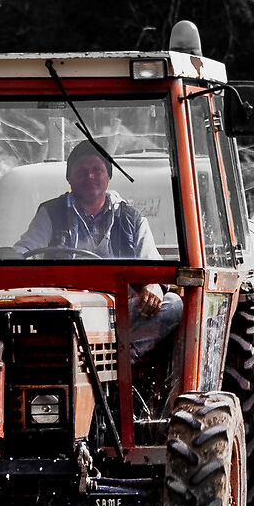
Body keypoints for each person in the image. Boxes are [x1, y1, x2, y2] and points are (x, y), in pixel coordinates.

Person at [11, 138, 182, 360]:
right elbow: (24, 250)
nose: (89, 176)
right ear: (69, 178)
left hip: (120, 314)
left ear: (108, 176)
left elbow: (152, 268)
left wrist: (154, 288)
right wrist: (10, 258)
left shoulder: (132, 219)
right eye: (81, 171)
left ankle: (119, 358)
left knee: (173, 305)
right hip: (64, 312)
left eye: (96, 170)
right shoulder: (50, 212)